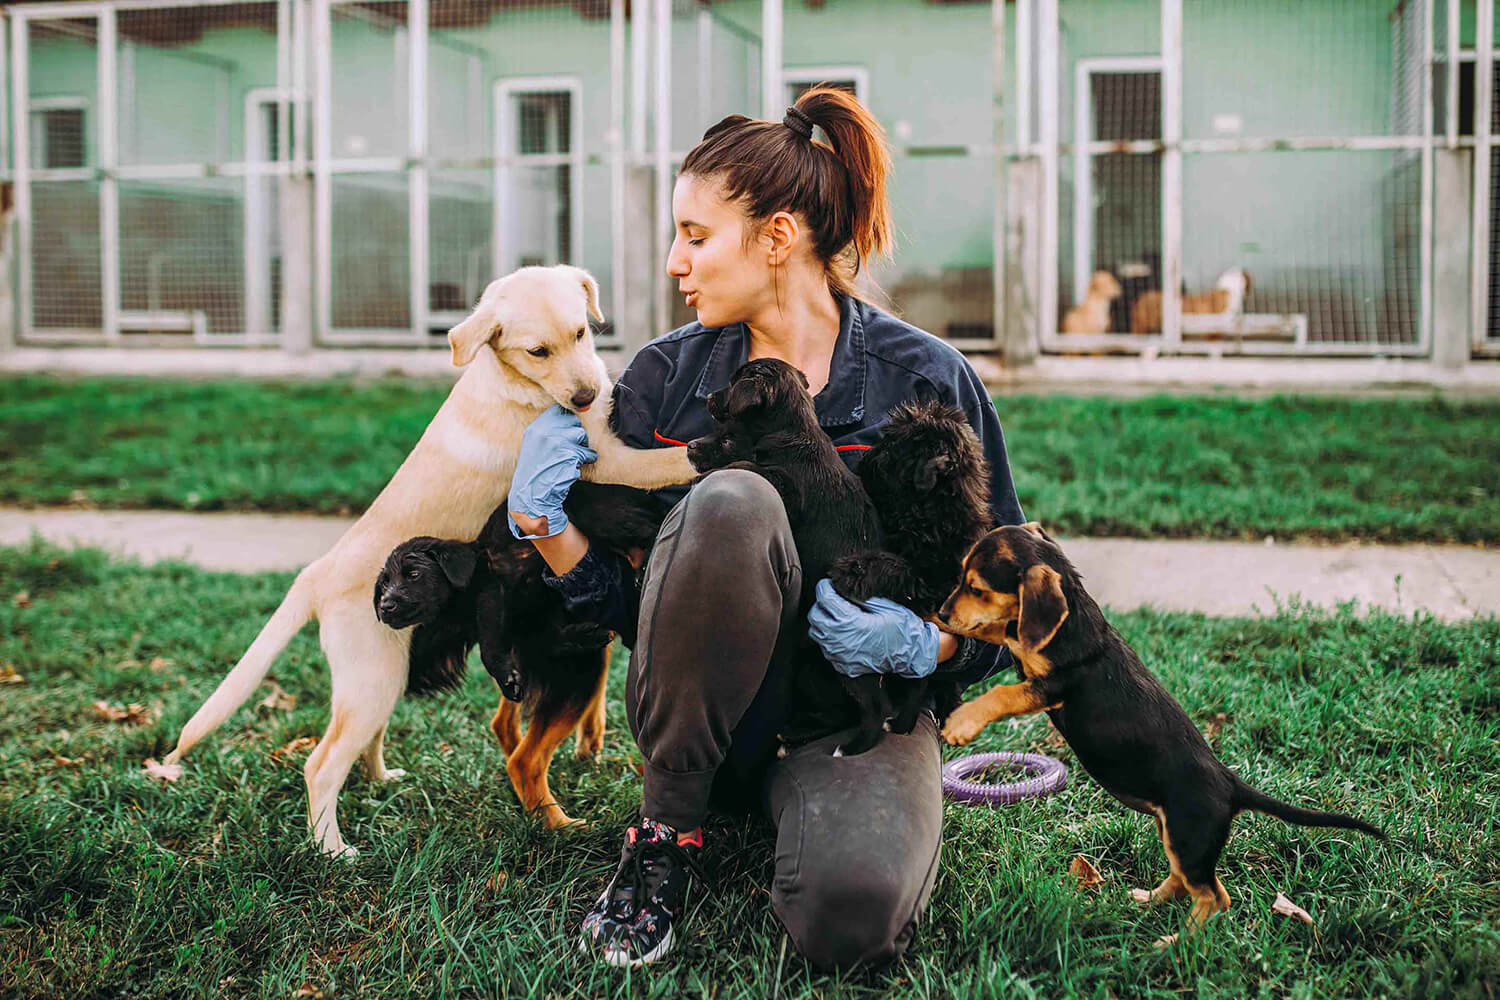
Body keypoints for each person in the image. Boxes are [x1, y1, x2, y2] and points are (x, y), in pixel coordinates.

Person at [505, 88, 1025, 970]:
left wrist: (924, 651)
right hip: (702, 725)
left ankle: (814, 820)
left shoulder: (927, 381)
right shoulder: (665, 381)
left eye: (697, 236)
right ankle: (666, 833)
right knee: (735, 499)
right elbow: (643, 613)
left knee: (852, 920)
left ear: (778, 238)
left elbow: (1007, 601)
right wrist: (542, 522)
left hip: (851, 724)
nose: (676, 261)